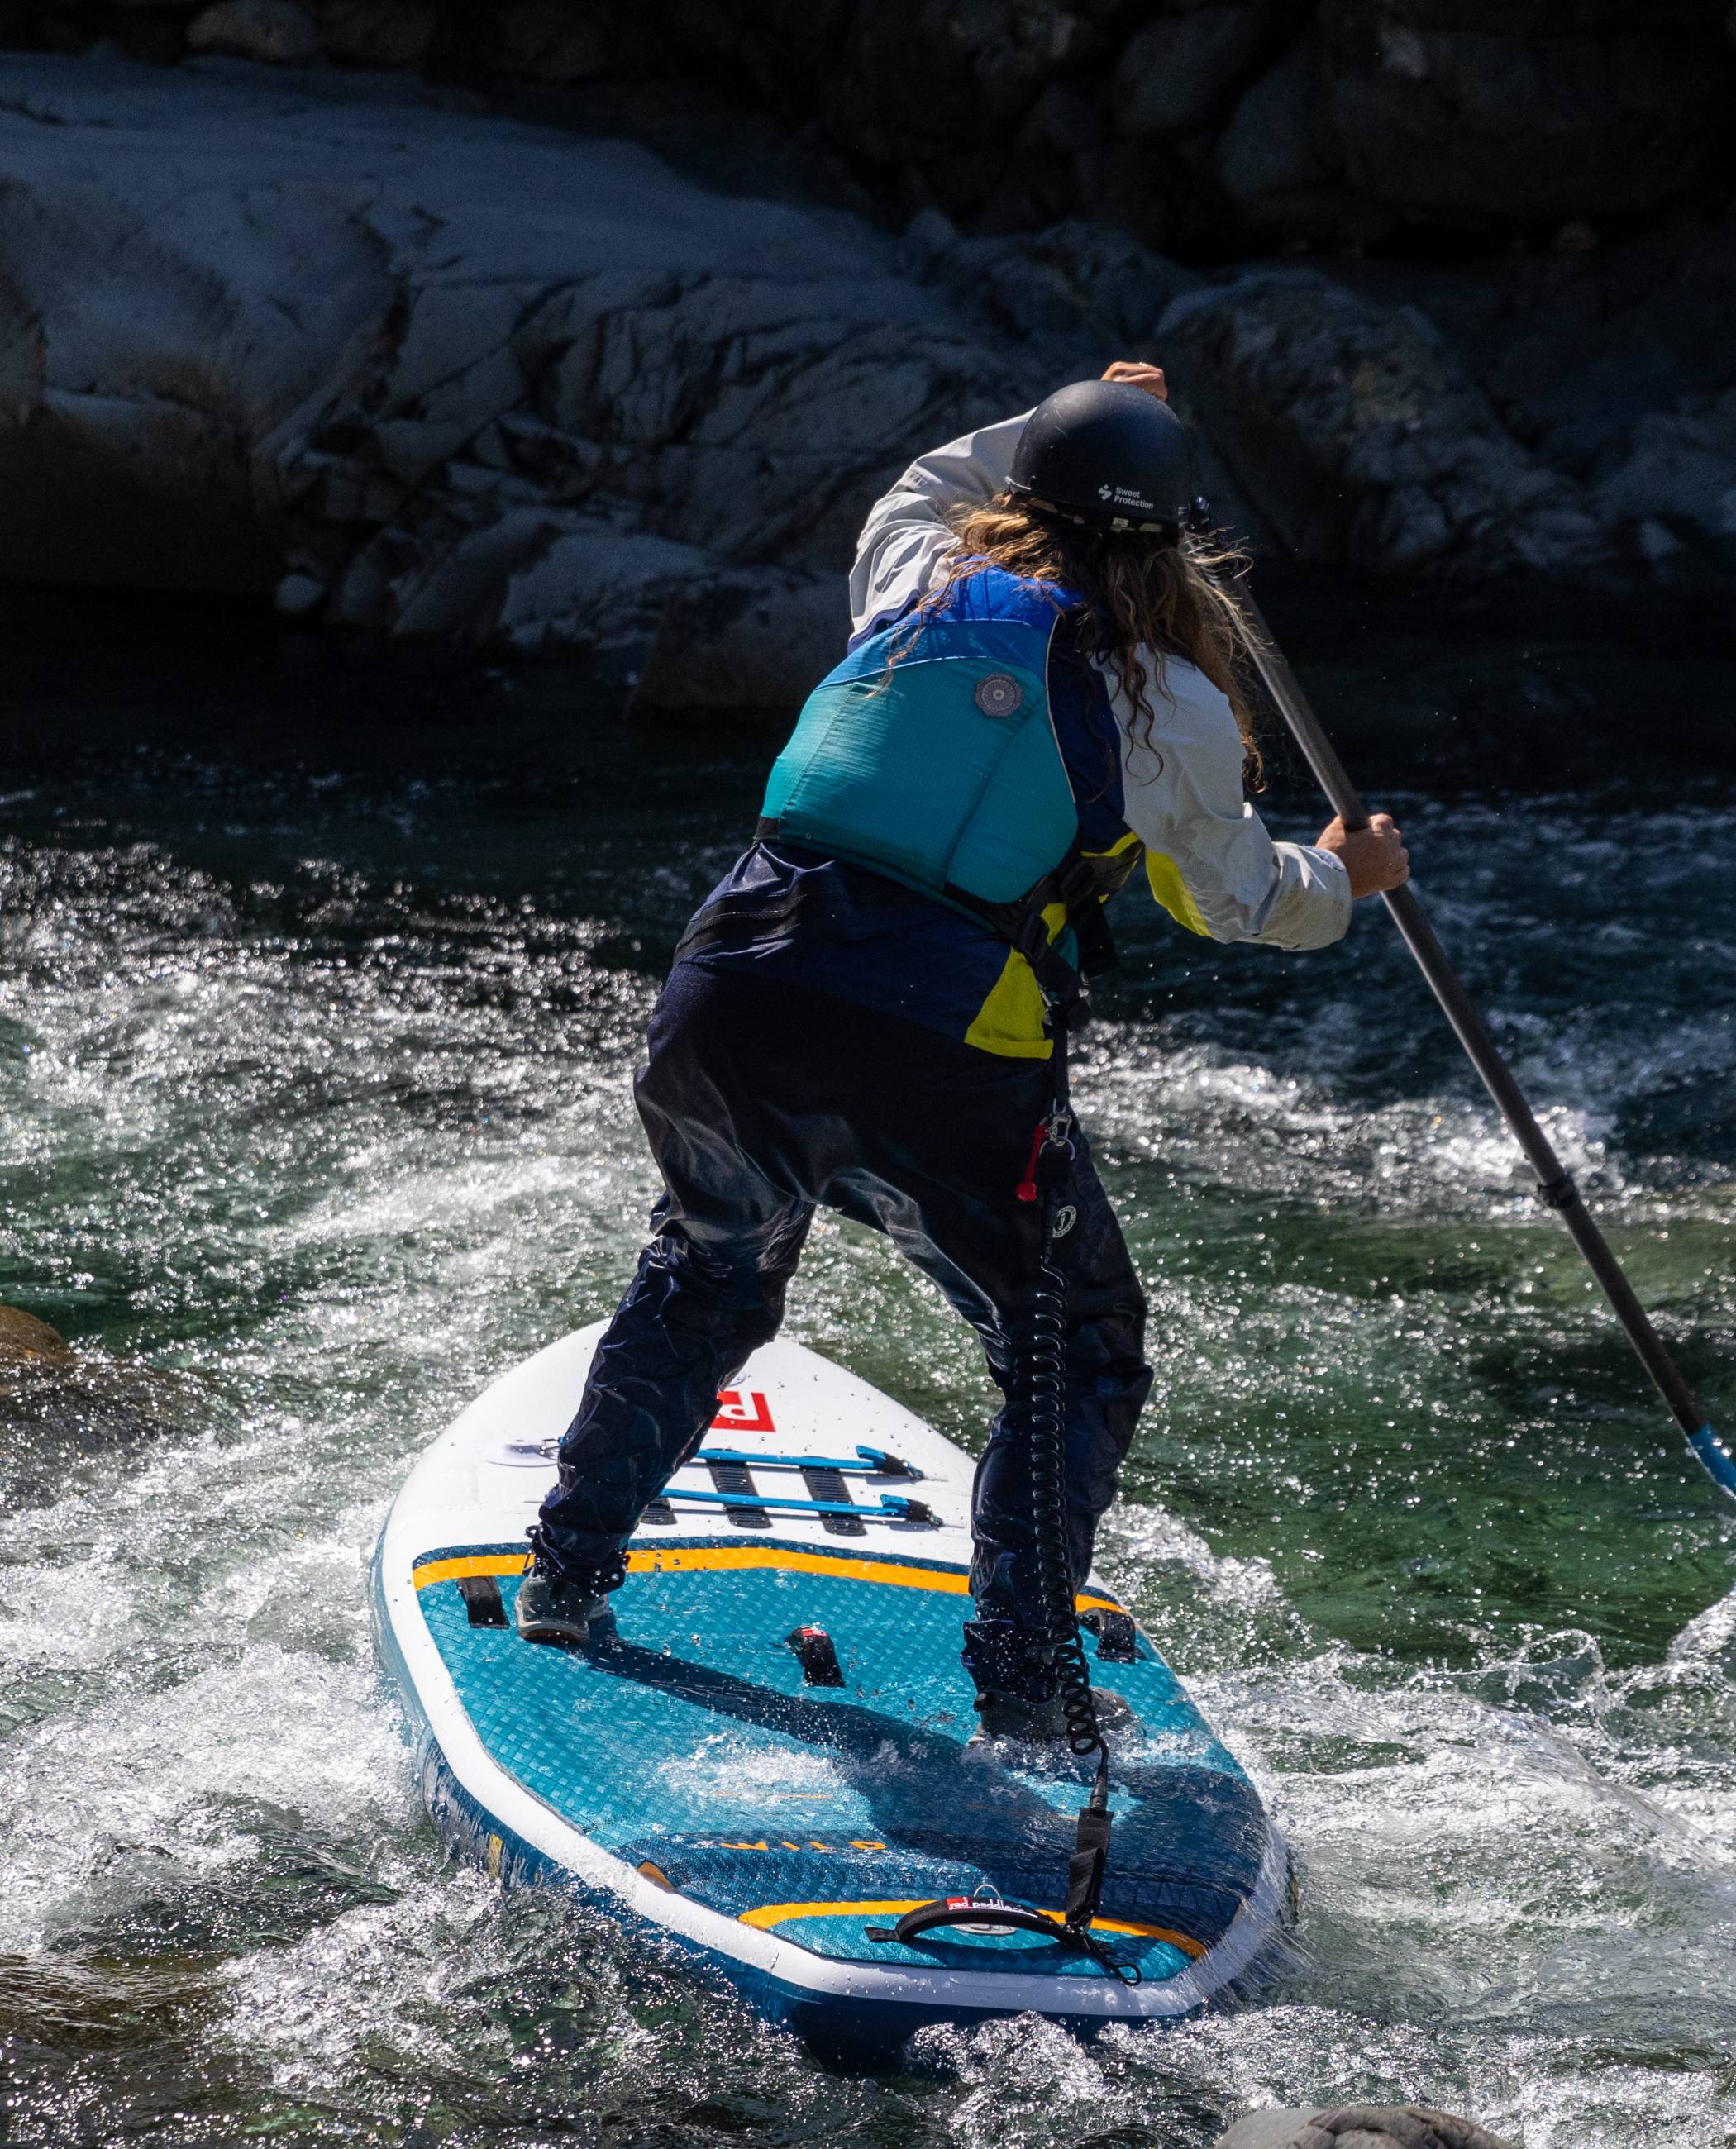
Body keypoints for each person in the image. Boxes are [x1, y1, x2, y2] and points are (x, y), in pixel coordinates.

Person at [516, 362, 1409, 1741]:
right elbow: (1233, 900)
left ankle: (564, 1576)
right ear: (1176, 538)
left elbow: (929, 477)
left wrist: (1077, 400)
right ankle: (1027, 1684)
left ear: (1024, 491)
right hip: (937, 1053)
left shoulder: (913, 571)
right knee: (1077, 1350)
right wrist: (1345, 877)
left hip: (730, 995)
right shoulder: (1169, 699)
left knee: (707, 1273)